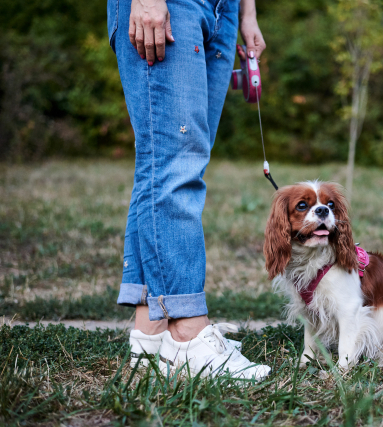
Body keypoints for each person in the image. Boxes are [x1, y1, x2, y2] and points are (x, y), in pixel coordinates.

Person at [107, 0, 270, 380]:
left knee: (169, 162)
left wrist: (247, 13)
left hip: (222, 10)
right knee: (174, 165)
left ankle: (150, 336)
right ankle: (188, 336)